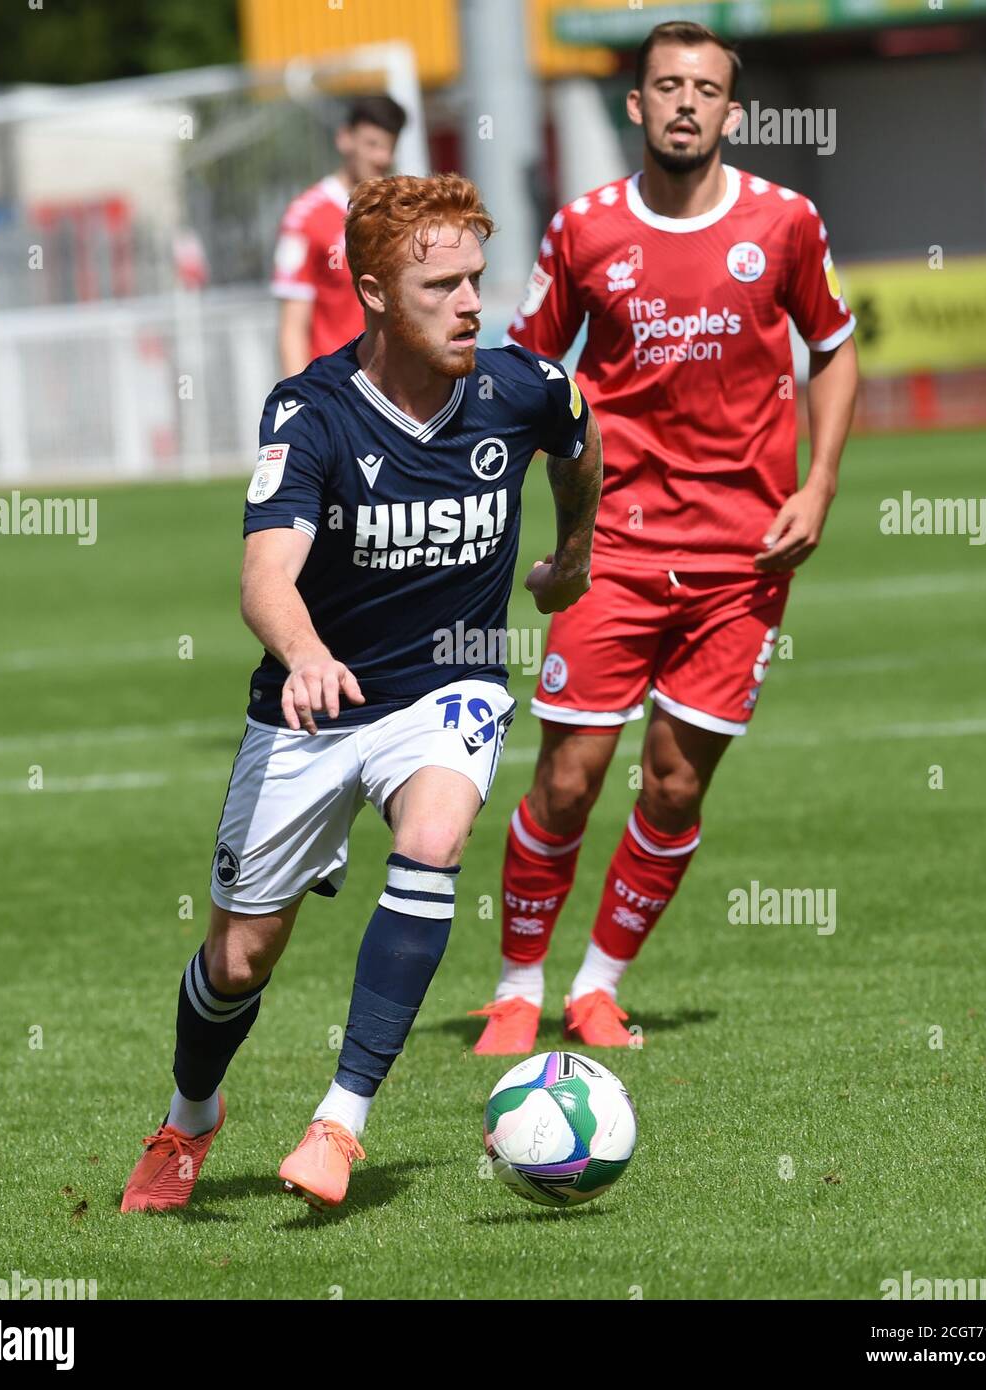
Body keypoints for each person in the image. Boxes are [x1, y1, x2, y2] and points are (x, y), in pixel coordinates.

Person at [121, 173, 603, 1213]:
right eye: (443, 285)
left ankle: (342, 1119)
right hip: (311, 707)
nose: (474, 302)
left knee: (433, 840)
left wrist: (575, 550)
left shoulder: (520, 385)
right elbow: (264, 578)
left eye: (478, 277)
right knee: (240, 957)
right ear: (376, 291)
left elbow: (576, 435)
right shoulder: (314, 412)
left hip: (452, 681)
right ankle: (189, 1118)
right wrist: (301, 653)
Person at [470, 19, 859, 1055]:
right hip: (616, 550)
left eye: (707, 89)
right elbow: (528, 379)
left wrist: (818, 485)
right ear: (636, 106)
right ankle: (516, 989)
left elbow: (836, 346)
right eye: (668, 86)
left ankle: (598, 985)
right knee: (568, 777)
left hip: (745, 558)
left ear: (732, 110)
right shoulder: (586, 229)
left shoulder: (785, 224)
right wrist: (546, 542)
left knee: (679, 781)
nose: (687, 103)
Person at [272, 94, 407, 376]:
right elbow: (293, 326)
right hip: (339, 391)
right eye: (372, 144)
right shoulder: (306, 217)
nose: (382, 157)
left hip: (400, 387)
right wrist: (300, 405)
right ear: (345, 138)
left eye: (389, 147)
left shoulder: (404, 212)